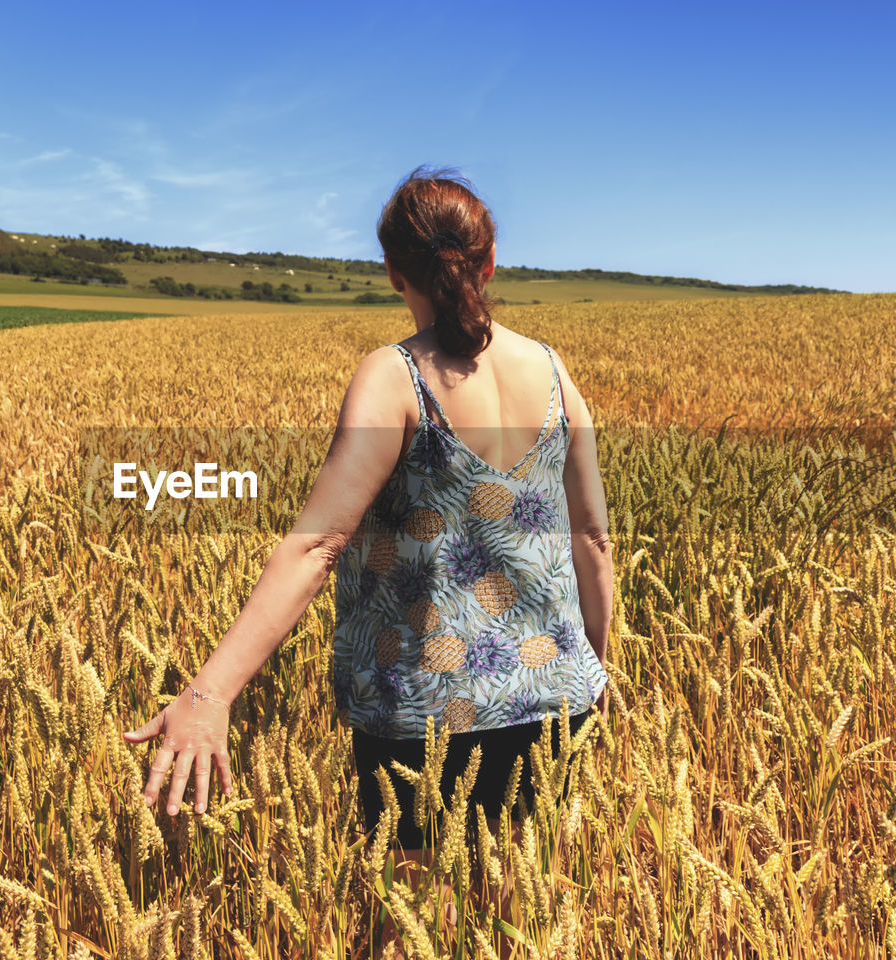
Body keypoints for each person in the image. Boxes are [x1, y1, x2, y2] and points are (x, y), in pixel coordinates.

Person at [123, 166, 612, 958]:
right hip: (554, 697)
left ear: (393, 273)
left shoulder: (395, 379)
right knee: (530, 916)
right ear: (488, 264)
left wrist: (210, 693)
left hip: (422, 716)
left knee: (413, 927)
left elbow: (318, 544)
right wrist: (593, 665)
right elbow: (593, 540)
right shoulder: (557, 375)